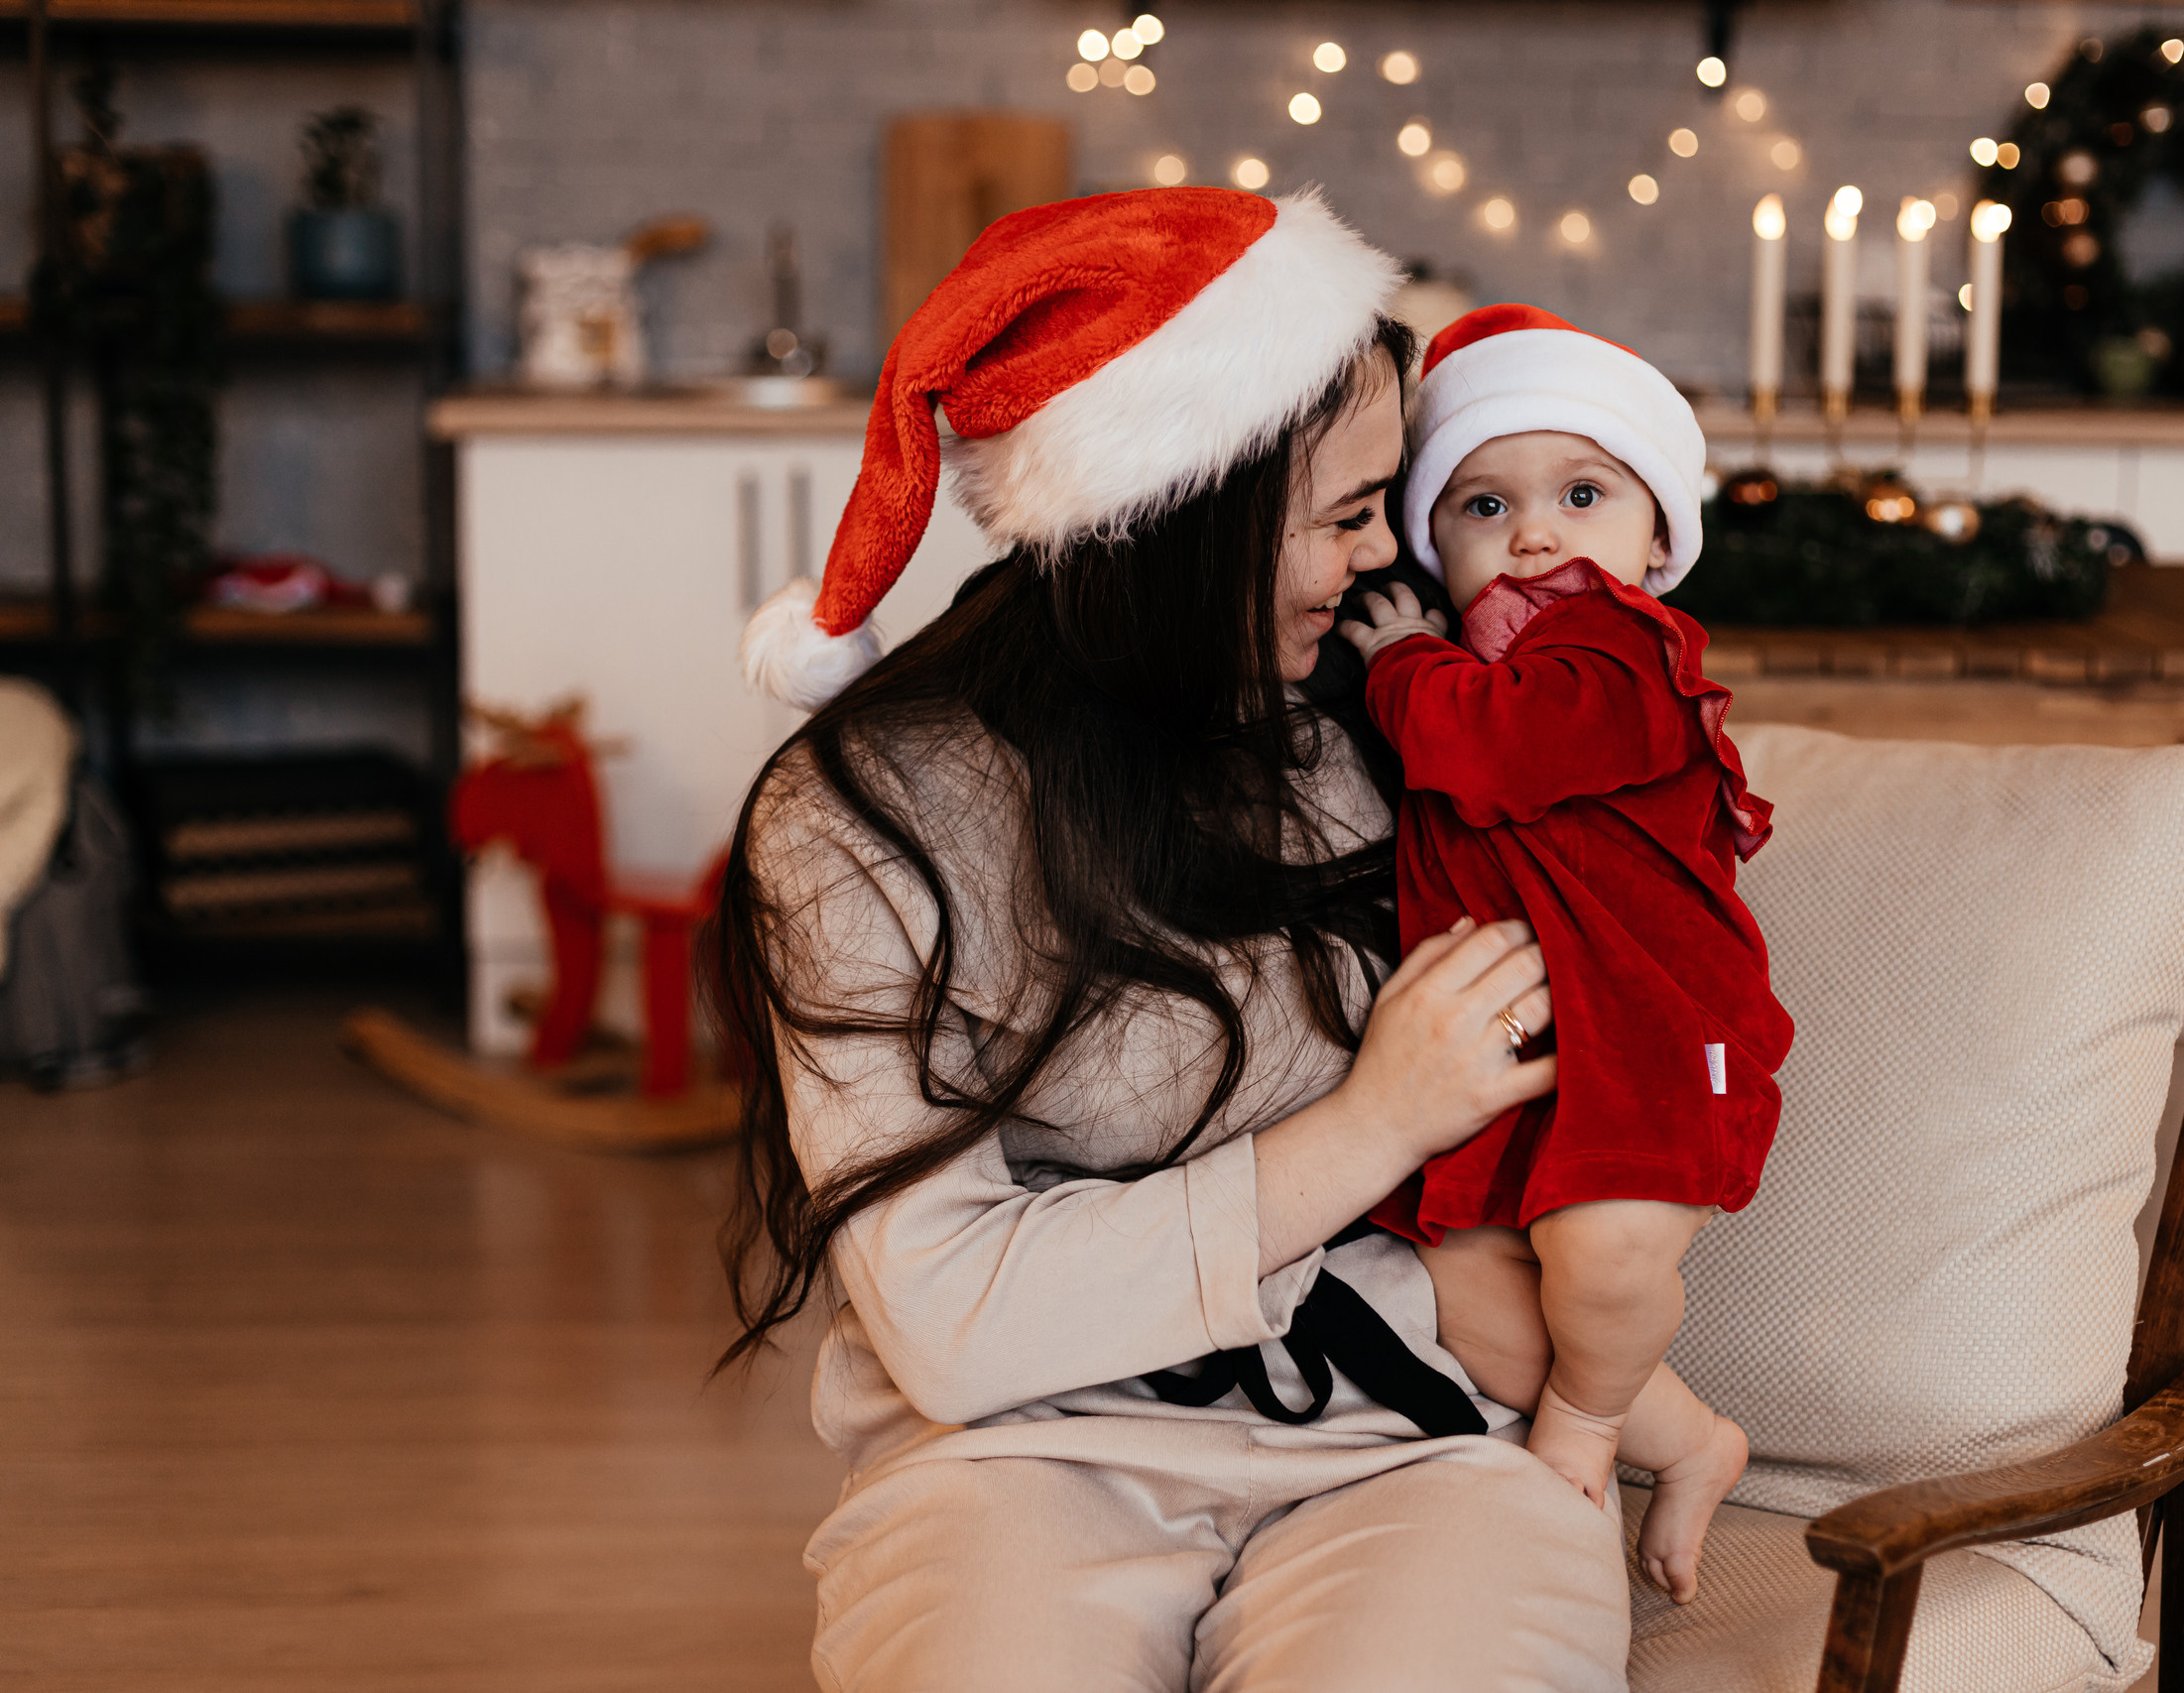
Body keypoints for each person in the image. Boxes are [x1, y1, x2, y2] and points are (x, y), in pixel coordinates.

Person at [714, 192, 1634, 1690]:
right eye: (1342, 518)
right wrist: (1375, 1124)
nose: (1380, 566)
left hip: (1413, 1441)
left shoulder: (1399, 725)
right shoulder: (861, 817)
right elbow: (952, 1320)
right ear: (1181, 520)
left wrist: (1631, 1393)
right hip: (1011, 1454)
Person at [1339, 304, 1794, 1605]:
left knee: (1602, 1266)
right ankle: (1691, 1439)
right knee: (1470, 1293)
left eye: (1583, 494)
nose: (1535, 532)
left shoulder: (1628, 651)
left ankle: (1587, 1435)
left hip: (1652, 1036)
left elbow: (1497, 748)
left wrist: (1400, 662)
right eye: (1482, 506)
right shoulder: (1465, 667)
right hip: (1521, 1056)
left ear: (1658, 542)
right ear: (1433, 542)